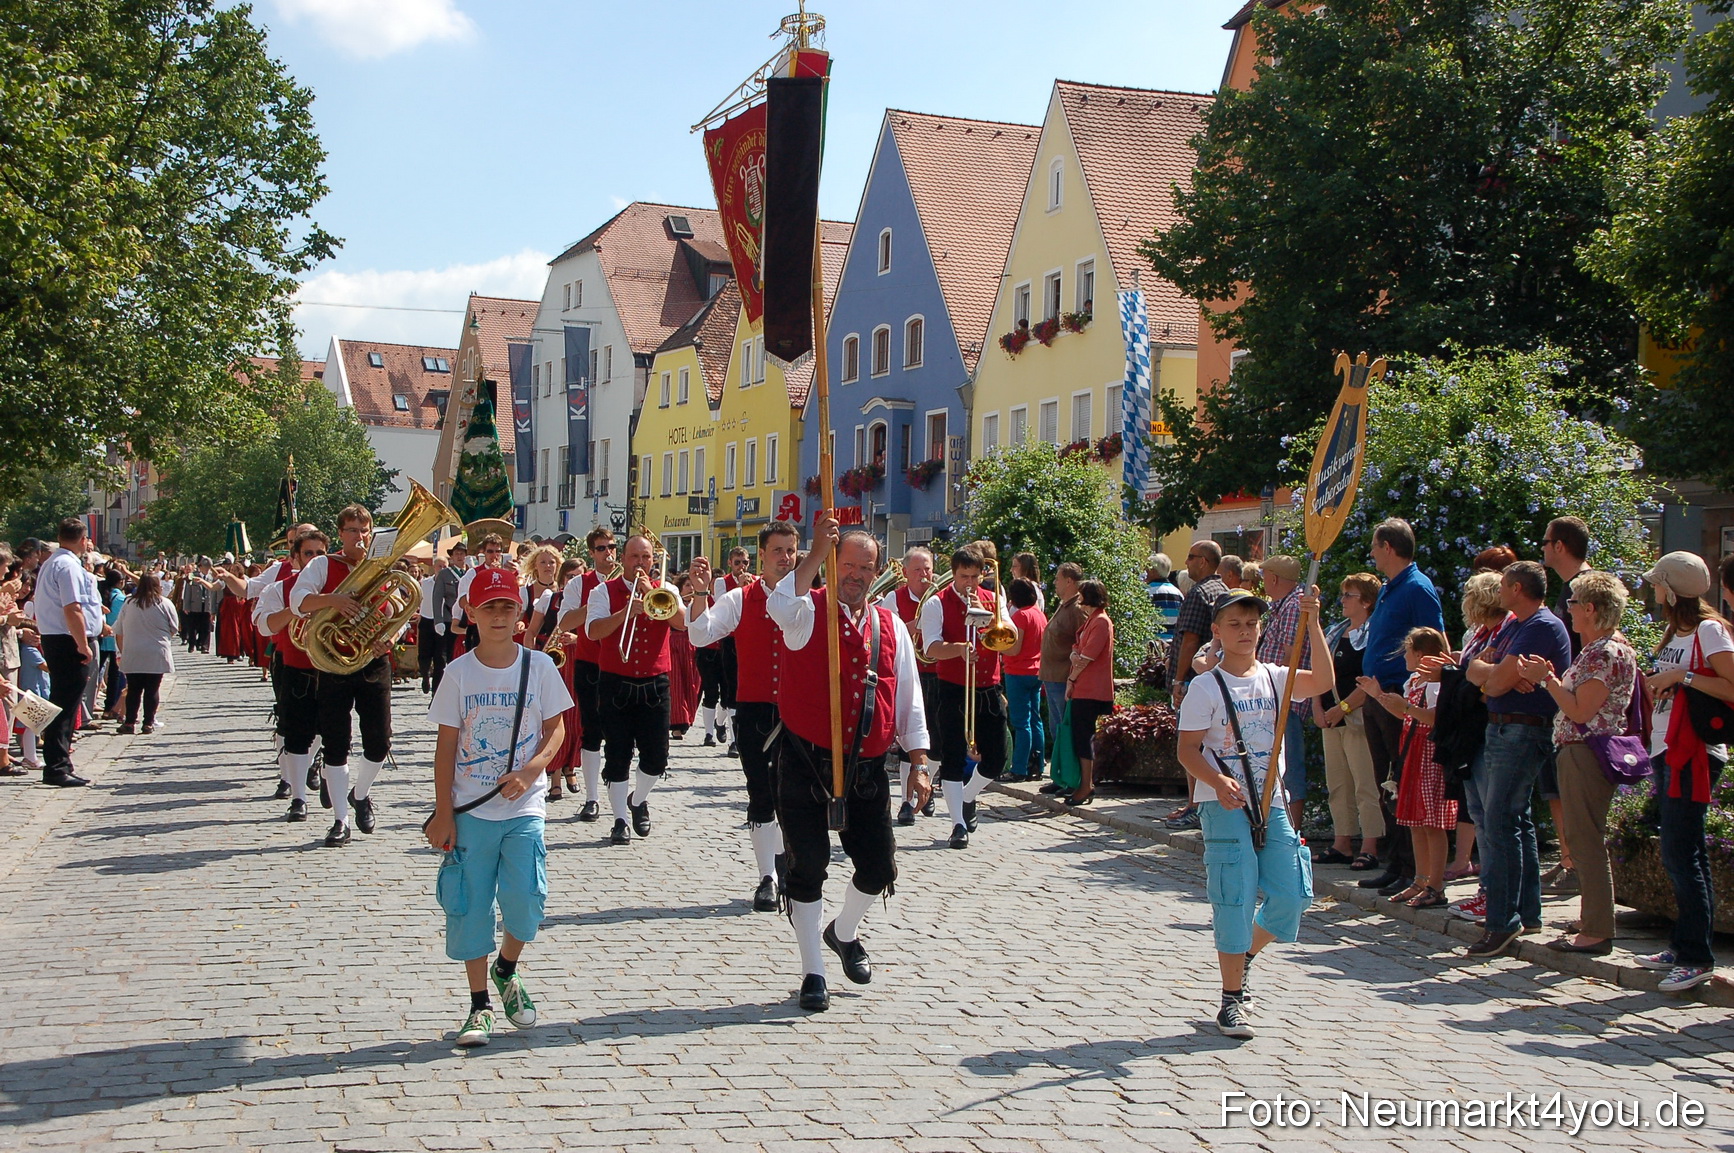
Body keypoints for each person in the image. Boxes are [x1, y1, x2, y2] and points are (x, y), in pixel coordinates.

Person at [766, 518, 929, 1012]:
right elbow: (779, 602)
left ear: (877, 571)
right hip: (804, 761)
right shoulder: (805, 611)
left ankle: (844, 931)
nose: (856, 574)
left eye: (866, 567)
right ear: (833, 567)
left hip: (867, 766)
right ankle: (812, 970)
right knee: (808, 867)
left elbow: (908, 698)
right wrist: (814, 552)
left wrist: (919, 759)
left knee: (879, 866)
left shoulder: (890, 624)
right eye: (848, 565)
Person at [1176, 587, 1334, 1039]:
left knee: (1294, 894)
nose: (1244, 632)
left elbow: (1322, 681)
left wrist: (1315, 622)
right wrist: (1217, 780)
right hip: (1224, 805)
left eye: (1251, 624)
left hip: (1272, 803)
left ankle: (1244, 953)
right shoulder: (1205, 686)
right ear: (1218, 632)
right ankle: (1231, 1001)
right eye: (1234, 625)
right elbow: (1187, 750)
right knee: (1234, 897)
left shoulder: (1275, 677)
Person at [425, 566, 572, 1048]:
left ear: (521, 615)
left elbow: (557, 729)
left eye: (507, 607)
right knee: (470, 909)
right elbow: (446, 747)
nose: (499, 615)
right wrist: (443, 810)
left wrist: (533, 771)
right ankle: (479, 1004)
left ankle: (506, 967)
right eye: (489, 607)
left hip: (524, 805)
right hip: (472, 809)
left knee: (527, 900)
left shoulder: (540, 668)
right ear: (471, 612)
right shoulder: (458, 673)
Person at [1517, 570, 1637, 957]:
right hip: (1582, 750)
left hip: (1586, 751)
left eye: (1572, 603)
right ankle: (1591, 920)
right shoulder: (1602, 647)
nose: (1567, 610)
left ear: (1590, 608)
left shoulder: (1605, 651)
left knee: (1585, 840)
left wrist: (1546, 679)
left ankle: (1597, 930)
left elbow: (1582, 710)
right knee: (1584, 839)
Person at [1629, 552, 1733, 992]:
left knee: (1679, 851)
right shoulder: (1678, 629)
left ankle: (1696, 956)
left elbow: (1730, 684)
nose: (1653, 591)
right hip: (1666, 746)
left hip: (1694, 752)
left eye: (1657, 584)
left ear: (1671, 590)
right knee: (1680, 849)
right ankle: (1686, 941)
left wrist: (1682, 676)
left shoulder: (1710, 630)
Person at [1460, 560, 1571, 959]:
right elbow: (1476, 671)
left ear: (1518, 589)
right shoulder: (1514, 624)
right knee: (1514, 819)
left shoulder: (1541, 625)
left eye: (1504, 585)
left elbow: (1495, 680)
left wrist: (1493, 675)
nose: (1499, 592)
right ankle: (1528, 911)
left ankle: (1501, 921)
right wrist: (1493, 673)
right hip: (1502, 724)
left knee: (1501, 820)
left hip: (1523, 728)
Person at [687, 523, 802, 909]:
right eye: (777, 551)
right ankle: (766, 877)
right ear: (763, 555)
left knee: (797, 794)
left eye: (791, 550)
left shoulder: (812, 597)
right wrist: (702, 592)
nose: (785, 558)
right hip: (754, 710)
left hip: (801, 707)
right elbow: (700, 635)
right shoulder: (740, 598)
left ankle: (790, 857)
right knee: (761, 793)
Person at [291, 506, 395, 847]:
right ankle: (340, 820)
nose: (360, 537)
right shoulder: (323, 565)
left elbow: (398, 610)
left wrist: (391, 637)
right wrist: (333, 599)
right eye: (352, 530)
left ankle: (360, 793)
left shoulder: (381, 567)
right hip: (334, 660)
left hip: (371, 660)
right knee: (337, 744)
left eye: (364, 530)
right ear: (340, 533)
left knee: (380, 742)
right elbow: (297, 601)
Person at [1356, 518, 1446, 896]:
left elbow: (1434, 642)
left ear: (1389, 548)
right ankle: (1398, 863)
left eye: (1376, 546)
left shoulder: (1417, 588)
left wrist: (1419, 688)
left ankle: (1415, 869)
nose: (1373, 553)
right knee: (1387, 786)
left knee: (1403, 786)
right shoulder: (1392, 587)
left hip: (1402, 697)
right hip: (1381, 696)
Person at [584, 534, 690, 844]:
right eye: (634, 557)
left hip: (655, 683)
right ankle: (619, 820)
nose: (641, 563)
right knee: (617, 754)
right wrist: (626, 612)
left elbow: (683, 624)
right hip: (615, 682)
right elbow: (592, 631)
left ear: (653, 561)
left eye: (646, 558)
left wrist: (651, 595)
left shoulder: (666, 591)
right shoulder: (604, 591)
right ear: (623, 560)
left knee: (657, 758)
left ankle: (638, 799)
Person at [921, 544, 1017, 850]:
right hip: (952, 685)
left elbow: (1010, 641)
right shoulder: (937, 603)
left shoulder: (994, 599)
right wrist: (959, 649)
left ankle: (966, 796)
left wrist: (989, 619)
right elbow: (930, 648)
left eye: (976, 577)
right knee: (952, 755)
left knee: (997, 757)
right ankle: (957, 824)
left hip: (989, 686)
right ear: (954, 574)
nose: (971, 584)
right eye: (965, 577)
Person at [1359, 628, 1454, 909]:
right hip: (1412, 750)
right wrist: (1378, 696)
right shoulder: (1414, 681)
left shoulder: (1437, 682)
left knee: (1432, 822)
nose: (1404, 658)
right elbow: (1403, 712)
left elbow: (1436, 718)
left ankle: (1435, 884)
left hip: (1430, 751)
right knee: (1414, 819)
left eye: (1408, 652)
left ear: (1421, 654)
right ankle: (1420, 878)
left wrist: (1408, 710)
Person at [1537, 516, 1595, 890]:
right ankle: (1569, 857)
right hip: (1558, 699)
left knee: (1571, 789)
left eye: (1545, 541)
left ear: (1560, 545)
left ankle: (1579, 865)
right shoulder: (1566, 587)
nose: (1541, 548)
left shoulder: (1586, 587)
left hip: (1579, 704)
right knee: (1554, 788)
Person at [1312, 572, 1381, 868]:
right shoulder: (1335, 630)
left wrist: (1343, 707)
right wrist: (1317, 706)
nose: (1342, 601)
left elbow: (1371, 680)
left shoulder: (1375, 634)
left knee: (1365, 782)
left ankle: (1370, 845)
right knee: (1337, 783)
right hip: (1330, 718)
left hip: (1356, 717)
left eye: (1348, 595)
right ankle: (1342, 842)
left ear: (1366, 601)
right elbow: (1318, 669)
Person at [1163, 542, 1229, 828]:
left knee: (1191, 745)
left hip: (1196, 681)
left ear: (1203, 562)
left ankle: (1195, 804)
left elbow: (1189, 639)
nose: (1186, 562)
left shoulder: (1199, 593)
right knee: (1210, 745)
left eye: (1190, 557)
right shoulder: (1223, 590)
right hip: (1217, 681)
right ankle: (1202, 803)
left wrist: (1179, 680)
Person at [33, 518, 100, 787]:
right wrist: (82, 644)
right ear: (83, 540)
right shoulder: (67, 566)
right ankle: (56, 766)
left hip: (57, 637)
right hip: (66, 639)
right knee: (65, 703)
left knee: (64, 701)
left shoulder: (52, 563)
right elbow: (72, 608)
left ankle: (60, 762)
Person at [557, 528, 617, 821]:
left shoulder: (631, 583)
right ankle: (592, 798)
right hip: (590, 664)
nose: (609, 553)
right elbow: (565, 621)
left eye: (612, 547)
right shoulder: (580, 584)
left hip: (622, 665)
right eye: (602, 548)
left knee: (620, 735)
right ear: (591, 554)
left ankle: (621, 800)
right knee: (591, 732)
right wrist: (593, 602)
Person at [1255, 556, 1311, 827]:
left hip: (1284, 699)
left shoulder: (1293, 606)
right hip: (1273, 697)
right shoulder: (1282, 605)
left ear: (1275, 579)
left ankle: (1292, 830)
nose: (1262, 582)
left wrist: (1278, 694)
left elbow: (1292, 656)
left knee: (1289, 766)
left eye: (1265, 576)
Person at [524, 556, 585, 800]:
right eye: (570, 577)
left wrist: (578, 639)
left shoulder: (593, 600)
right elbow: (531, 632)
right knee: (552, 717)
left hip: (579, 661)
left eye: (578, 577)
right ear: (562, 579)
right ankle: (556, 777)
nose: (574, 581)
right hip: (551, 662)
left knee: (576, 720)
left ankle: (571, 767)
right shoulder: (550, 599)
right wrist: (530, 660)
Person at [889, 546, 940, 821]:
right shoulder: (893, 598)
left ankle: (926, 788)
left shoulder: (940, 598)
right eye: (918, 570)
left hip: (939, 673)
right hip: (910, 674)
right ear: (906, 573)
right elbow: (888, 636)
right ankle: (906, 802)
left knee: (937, 740)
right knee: (909, 740)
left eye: (928, 568)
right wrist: (916, 625)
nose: (924, 575)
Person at [1064, 579, 1115, 806]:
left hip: (1091, 688)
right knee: (1079, 736)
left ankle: (1086, 785)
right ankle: (1082, 783)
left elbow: (1087, 656)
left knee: (1084, 737)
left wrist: (1072, 677)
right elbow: (1077, 649)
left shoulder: (1101, 622)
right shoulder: (1092, 620)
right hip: (1083, 686)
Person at [1038, 563, 1086, 795]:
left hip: (1063, 678)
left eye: (1058, 579)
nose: (1054, 583)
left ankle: (1071, 779)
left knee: (1065, 731)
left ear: (1069, 581)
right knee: (1056, 730)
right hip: (1053, 677)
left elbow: (1083, 642)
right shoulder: (1065, 605)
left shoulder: (1077, 608)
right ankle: (1059, 775)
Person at [114, 571, 178, 734]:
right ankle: (148, 722)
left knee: (134, 688)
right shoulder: (164, 603)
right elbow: (174, 628)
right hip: (156, 650)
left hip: (134, 650)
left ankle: (129, 722)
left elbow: (119, 629)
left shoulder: (129, 603)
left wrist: (122, 650)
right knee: (152, 688)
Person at [1002, 578, 1047, 785]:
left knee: (1021, 723)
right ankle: (1038, 763)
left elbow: (1015, 647)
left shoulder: (1021, 616)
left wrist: (998, 649)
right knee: (1035, 719)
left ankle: (1019, 767)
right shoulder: (1039, 614)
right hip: (1036, 671)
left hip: (1018, 671)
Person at [710, 545, 753, 754]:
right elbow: (723, 606)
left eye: (745, 562)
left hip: (748, 639)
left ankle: (732, 735)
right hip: (728, 641)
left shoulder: (755, 580)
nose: (742, 567)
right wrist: (740, 588)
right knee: (729, 689)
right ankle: (731, 736)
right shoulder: (721, 583)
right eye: (738, 563)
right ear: (730, 564)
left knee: (741, 688)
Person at [428, 541, 467, 692]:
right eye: (456, 554)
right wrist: (438, 620)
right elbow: (437, 597)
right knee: (444, 659)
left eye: (462, 553)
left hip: (466, 620)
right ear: (451, 557)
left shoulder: (469, 572)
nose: (459, 556)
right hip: (449, 619)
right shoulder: (445, 574)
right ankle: (438, 692)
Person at [666, 572, 701, 739]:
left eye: (692, 585)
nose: (691, 588)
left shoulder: (699, 602)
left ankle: (688, 718)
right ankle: (677, 723)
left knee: (693, 684)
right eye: (687, 585)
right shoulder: (674, 601)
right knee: (677, 684)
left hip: (692, 645)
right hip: (675, 644)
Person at [1147, 554, 1183, 643]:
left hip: (1152, 645)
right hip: (1172, 644)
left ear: (1153, 570)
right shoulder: (1178, 593)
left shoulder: (1146, 591)